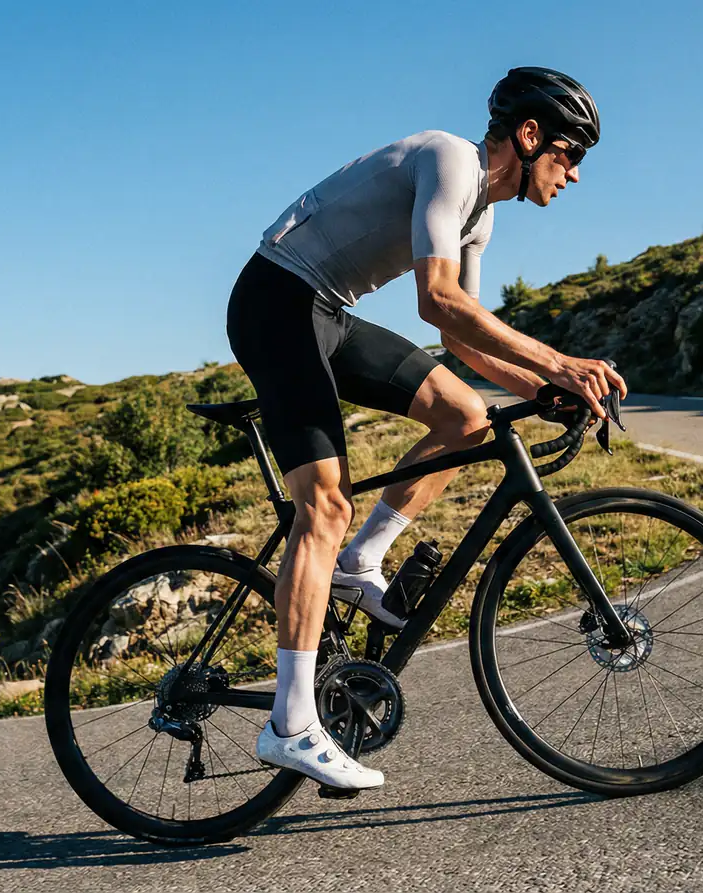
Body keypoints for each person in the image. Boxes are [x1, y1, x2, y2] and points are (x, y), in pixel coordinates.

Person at [226, 67, 627, 791]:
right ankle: (290, 723)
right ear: (529, 136)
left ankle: (359, 562)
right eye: (570, 153)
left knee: (466, 414)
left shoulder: (483, 212)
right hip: (276, 300)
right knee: (322, 505)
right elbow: (438, 300)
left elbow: (465, 346)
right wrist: (561, 362)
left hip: (326, 311)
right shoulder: (449, 159)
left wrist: (542, 390)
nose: (573, 173)